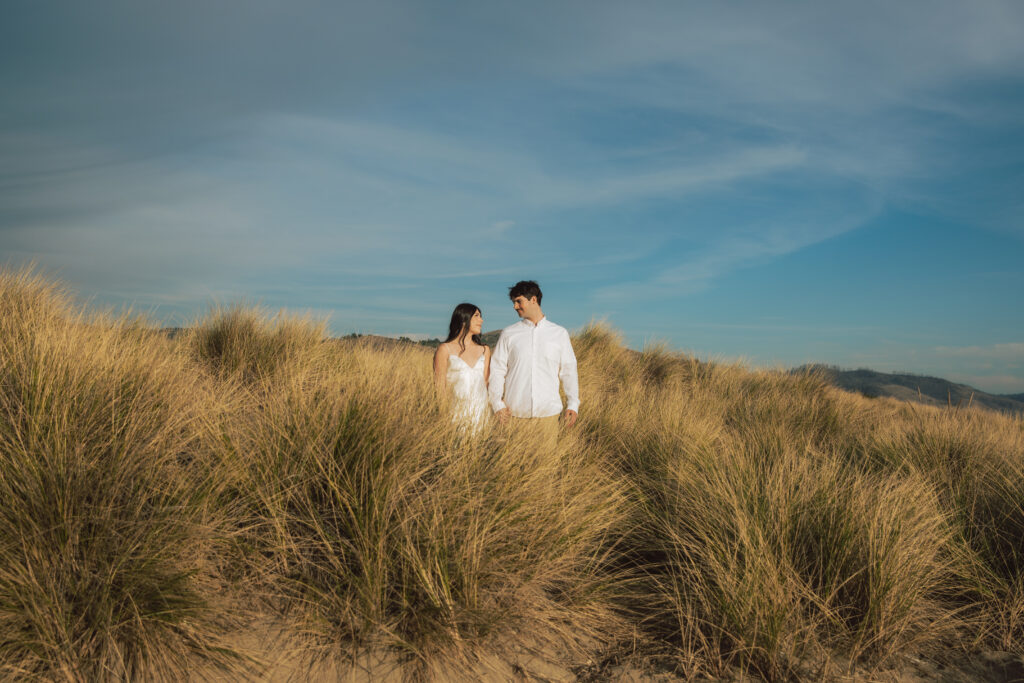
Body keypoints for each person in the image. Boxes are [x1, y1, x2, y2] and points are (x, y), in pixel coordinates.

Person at [488, 281, 579, 443]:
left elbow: (568, 370)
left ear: (534, 300)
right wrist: (497, 403)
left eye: (518, 301)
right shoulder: (509, 334)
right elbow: (497, 370)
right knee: (513, 467)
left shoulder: (559, 334)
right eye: (514, 302)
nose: (515, 307)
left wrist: (573, 403)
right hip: (514, 416)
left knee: (547, 468)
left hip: (548, 417)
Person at [433, 303, 491, 432]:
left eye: (481, 316)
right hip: (455, 415)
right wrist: (443, 419)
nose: (481, 320)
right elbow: (439, 388)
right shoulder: (444, 349)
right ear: (464, 319)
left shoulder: (485, 350)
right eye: (476, 316)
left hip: (481, 415)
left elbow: (486, 384)